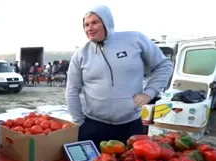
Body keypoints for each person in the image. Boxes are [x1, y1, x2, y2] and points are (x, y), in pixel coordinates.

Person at [65, 5, 172, 147]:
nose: (89, 28)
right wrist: (79, 122)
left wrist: (149, 93)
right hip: (93, 126)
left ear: (107, 21)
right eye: (86, 24)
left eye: (95, 22)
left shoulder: (135, 40)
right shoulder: (81, 54)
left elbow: (164, 65)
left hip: (130, 125)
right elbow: (72, 89)